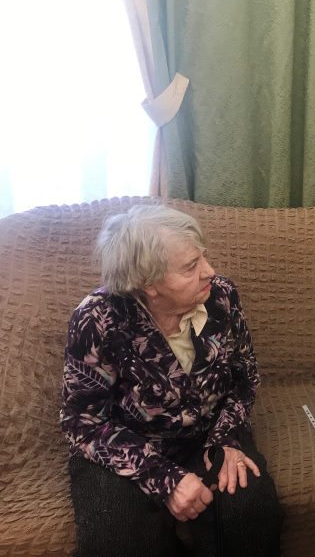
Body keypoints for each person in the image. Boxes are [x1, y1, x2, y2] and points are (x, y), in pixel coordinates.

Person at [61, 205, 282, 557]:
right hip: (127, 446)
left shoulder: (221, 296)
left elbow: (245, 378)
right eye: (190, 267)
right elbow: (82, 422)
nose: (209, 271)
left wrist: (226, 439)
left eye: (202, 257)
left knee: (249, 512)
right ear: (148, 283)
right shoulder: (97, 318)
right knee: (118, 540)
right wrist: (164, 478)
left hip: (208, 435)